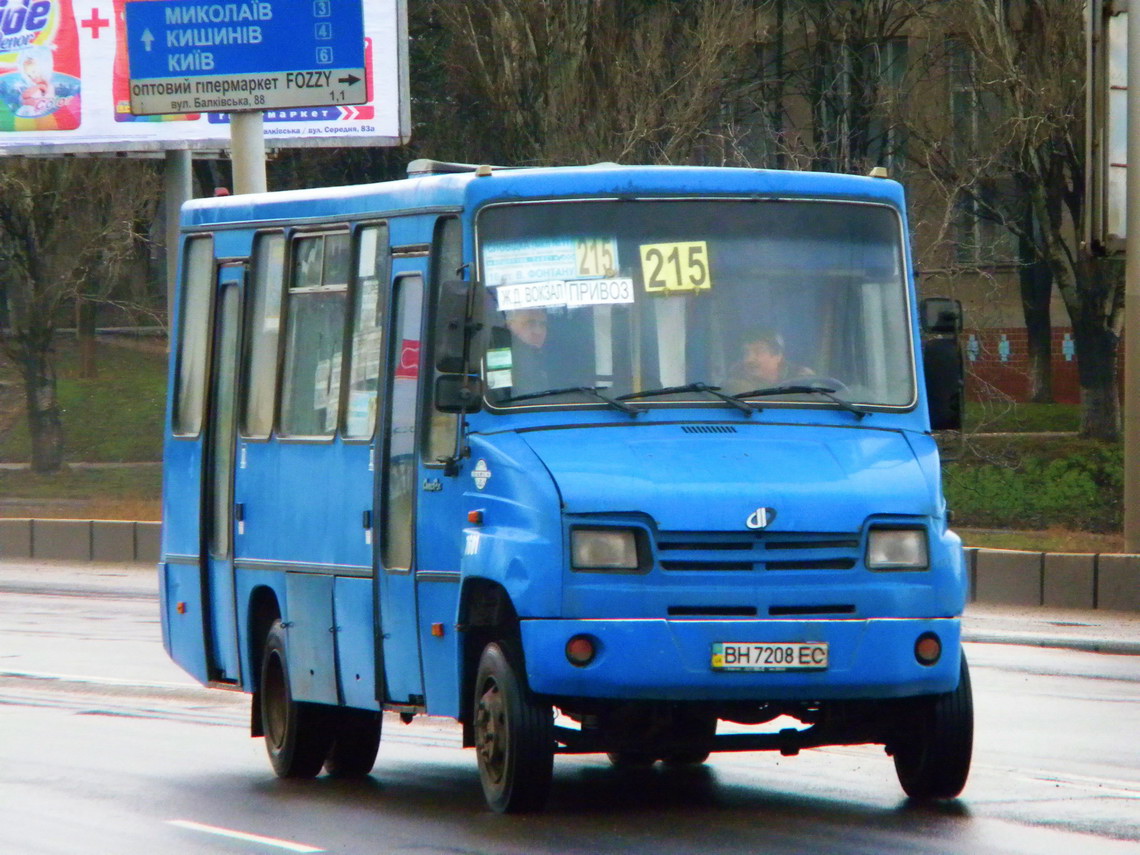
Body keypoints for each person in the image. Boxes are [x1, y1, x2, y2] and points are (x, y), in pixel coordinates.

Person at [724, 328, 811, 394]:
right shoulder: (735, 380)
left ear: (778, 356)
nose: (748, 359)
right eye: (746, 353)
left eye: (758, 351)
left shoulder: (802, 378)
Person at [504, 308, 550, 393]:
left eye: (543, 325)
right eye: (530, 323)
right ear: (510, 326)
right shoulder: (505, 359)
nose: (538, 331)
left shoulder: (553, 358)